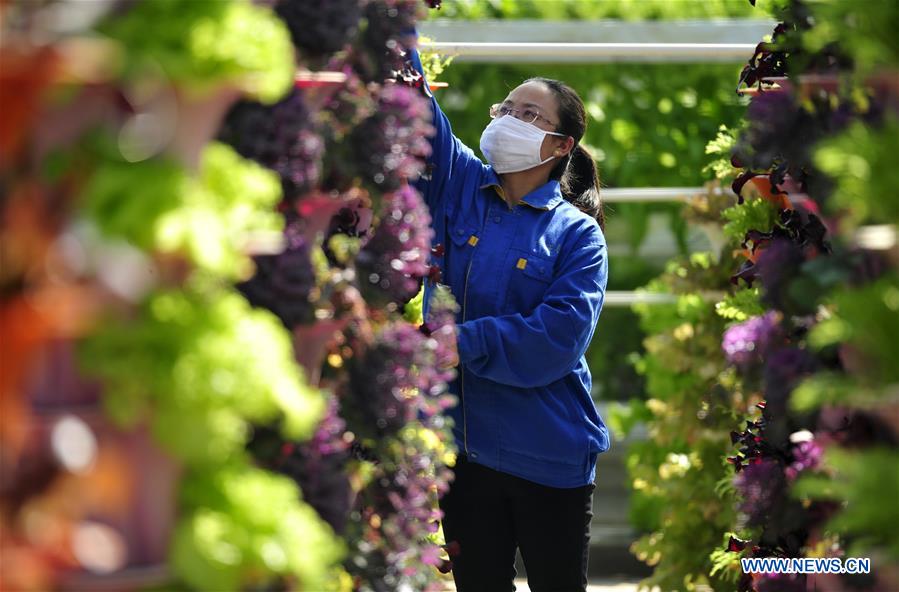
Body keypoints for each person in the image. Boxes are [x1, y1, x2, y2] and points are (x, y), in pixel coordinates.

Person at [408, 39, 611, 592]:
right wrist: (396, 22)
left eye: (530, 115)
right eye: (506, 109)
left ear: (560, 144)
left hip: (549, 455)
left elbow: (558, 338)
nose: (508, 120)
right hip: (467, 456)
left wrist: (459, 343)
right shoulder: (462, 187)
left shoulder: (576, 234)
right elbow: (417, 103)